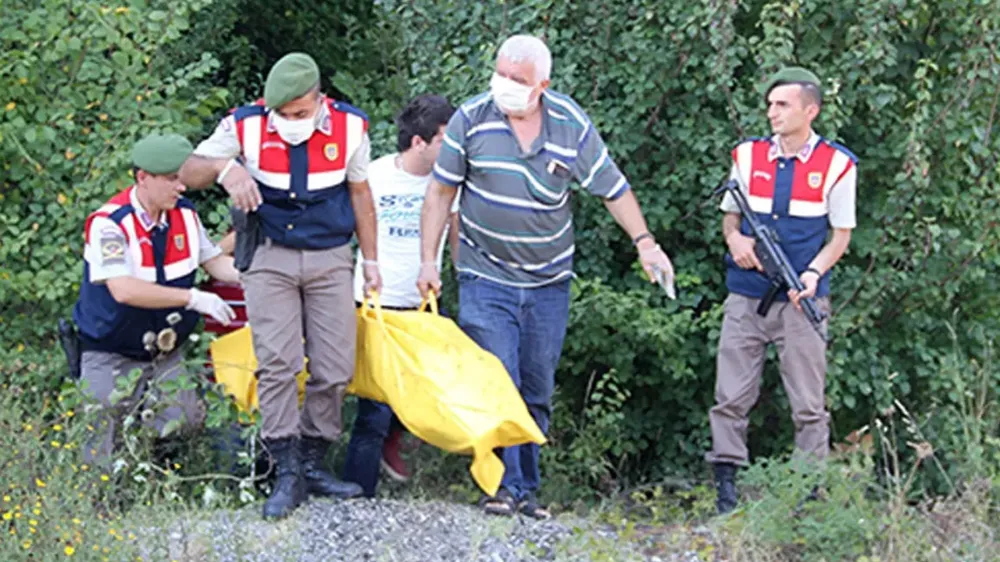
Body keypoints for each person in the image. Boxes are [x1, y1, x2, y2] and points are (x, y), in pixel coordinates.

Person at [416, 34, 675, 519]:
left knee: (535, 384)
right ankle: (501, 486)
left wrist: (645, 242)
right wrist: (428, 261)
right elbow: (439, 194)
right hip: (483, 273)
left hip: (548, 280)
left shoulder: (570, 124)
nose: (506, 86)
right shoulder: (471, 120)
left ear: (543, 85)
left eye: (518, 80)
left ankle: (527, 488)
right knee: (498, 378)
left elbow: (613, 187)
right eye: (501, 74)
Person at [177, 52, 379, 519]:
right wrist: (227, 170)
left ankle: (313, 461)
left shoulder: (351, 128)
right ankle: (285, 469)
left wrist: (371, 261)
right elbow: (188, 171)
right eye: (282, 115)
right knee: (278, 362)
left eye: (300, 114)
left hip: (330, 255)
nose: (290, 123)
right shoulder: (245, 125)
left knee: (335, 367)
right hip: (268, 255)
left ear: (320, 101)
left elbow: (361, 195)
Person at [706, 66, 858, 514]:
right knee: (730, 396)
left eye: (782, 104)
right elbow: (730, 217)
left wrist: (812, 274)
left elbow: (841, 236)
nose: (772, 112)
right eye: (770, 104)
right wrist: (735, 240)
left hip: (802, 299)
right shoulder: (747, 156)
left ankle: (807, 494)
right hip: (747, 295)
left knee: (809, 404)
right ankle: (726, 489)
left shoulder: (837, 164)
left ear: (810, 110)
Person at [72, 133, 240, 466]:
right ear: (142, 178)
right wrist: (193, 298)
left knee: (187, 419)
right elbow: (124, 290)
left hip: (164, 353)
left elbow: (216, 262)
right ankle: (99, 504)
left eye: (183, 178)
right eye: (171, 179)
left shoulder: (186, 215)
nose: (181, 187)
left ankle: (147, 471)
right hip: (110, 350)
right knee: (98, 436)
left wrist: (264, 277)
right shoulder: (110, 223)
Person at [341, 93, 460, 497]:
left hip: (423, 304)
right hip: (376, 302)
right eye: (445, 137)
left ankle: (397, 448)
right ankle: (357, 497)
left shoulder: (447, 182)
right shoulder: (374, 175)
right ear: (418, 142)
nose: (453, 144)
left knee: (428, 392)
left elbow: (457, 237)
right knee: (373, 407)